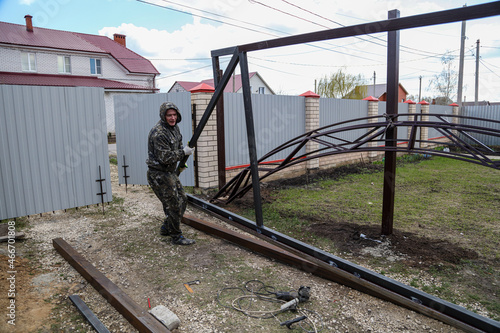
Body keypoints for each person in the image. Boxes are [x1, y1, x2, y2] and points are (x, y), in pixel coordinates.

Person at [146, 102, 195, 245]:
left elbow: (178, 147)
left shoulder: (174, 128)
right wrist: (183, 152)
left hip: (169, 172)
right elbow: (165, 158)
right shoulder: (159, 133)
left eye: (174, 115)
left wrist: (182, 159)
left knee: (183, 199)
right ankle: (176, 236)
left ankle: (167, 227)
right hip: (159, 175)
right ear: (163, 116)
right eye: (169, 115)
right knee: (173, 204)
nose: (172, 118)